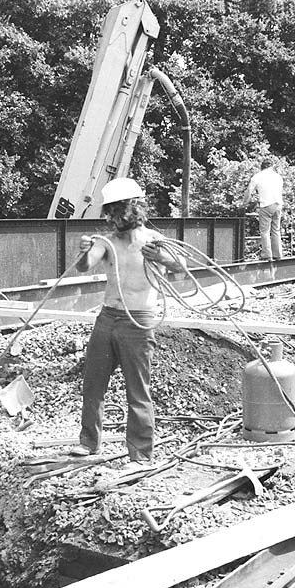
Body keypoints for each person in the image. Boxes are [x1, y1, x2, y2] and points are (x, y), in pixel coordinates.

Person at [70, 178, 185, 462]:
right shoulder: (105, 242)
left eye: (118, 210)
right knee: (93, 384)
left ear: (135, 208)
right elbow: (85, 266)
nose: (114, 217)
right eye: (110, 212)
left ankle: (141, 453)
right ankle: (89, 442)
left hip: (139, 320)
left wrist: (163, 258)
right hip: (107, 318)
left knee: (138, 389)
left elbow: (183, 268)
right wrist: (83, 251)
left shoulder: (155, 242)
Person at [243, 158, 285, 260]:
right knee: (276, 230)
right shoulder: (278, 177)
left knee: (265, 231)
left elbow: (249, 191)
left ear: (261, 167)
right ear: (271, 166)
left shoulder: (257, 176)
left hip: (266, 205)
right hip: (278, 205)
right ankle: (278, 254)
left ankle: (267, 254)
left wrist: (245, 203)